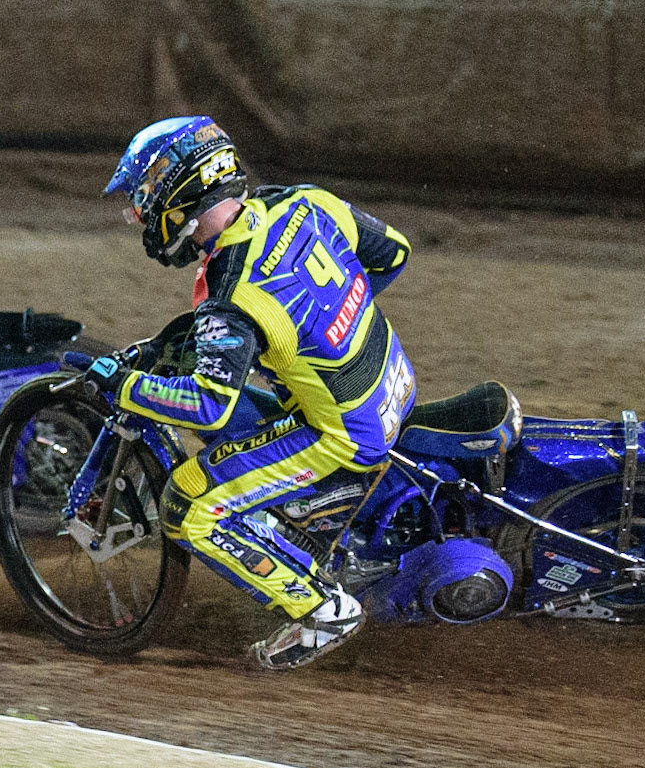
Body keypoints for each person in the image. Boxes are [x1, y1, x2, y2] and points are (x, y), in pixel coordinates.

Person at [86, 116, 417, 668]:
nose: (139, 213)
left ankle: (323, 610)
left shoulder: (232, 295)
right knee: (240, 414)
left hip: (343, 433)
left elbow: (207, 405)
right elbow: (394, 253)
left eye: (143, 195)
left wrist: (125, 386)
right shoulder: (305, 201)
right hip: (393, 382)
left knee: (188, 503)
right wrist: (325, 317)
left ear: (178, 189)